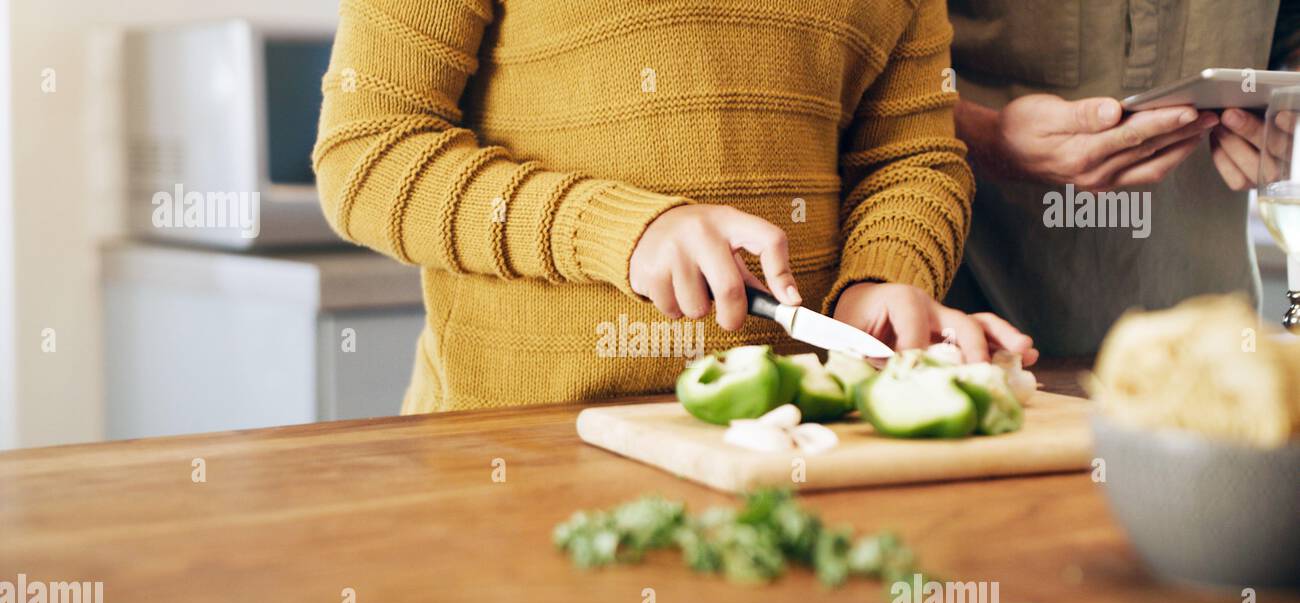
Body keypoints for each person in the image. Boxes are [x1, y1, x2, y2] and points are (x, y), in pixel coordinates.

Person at [313, 0, 1035, 414]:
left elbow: (910, 157)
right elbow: (368, 154)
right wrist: (621, 231)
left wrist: (879, 279)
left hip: (794, 444)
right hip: (510, 448)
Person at [946, 0, 1296, 355]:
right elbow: (897, 65)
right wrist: (984, 139)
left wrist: (1292, 127)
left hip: (1217, 347)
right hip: (980, 345)